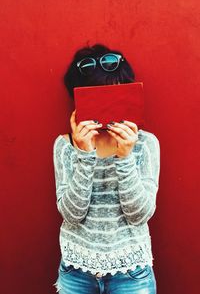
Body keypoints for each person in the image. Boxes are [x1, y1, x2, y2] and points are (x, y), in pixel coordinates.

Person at [53, 44, 160, 294]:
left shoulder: (146, 144)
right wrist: (83, 153)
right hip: (75, 271)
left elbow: (139, 215)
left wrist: (125, 157)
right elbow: (72, 215)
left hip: (132, 274)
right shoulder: (64, 146)